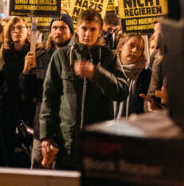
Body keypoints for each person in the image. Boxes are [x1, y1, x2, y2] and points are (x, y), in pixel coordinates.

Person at [39, 9, 128, 170]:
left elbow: (122, 91)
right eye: (84, 29)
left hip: (97, 144)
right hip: (67, 143)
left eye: (93, 29)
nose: (87, 33)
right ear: (77, 30)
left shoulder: (109, 57)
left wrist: (97, 73)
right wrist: (46, 136)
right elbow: (49, 98)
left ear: (100, 31)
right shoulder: (61, 56)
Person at [20, 13, 74, 169]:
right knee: (39, 169)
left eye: (63, 28)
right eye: (54, 28)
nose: (58, 31)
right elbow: (27, 94)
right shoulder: (38, 57)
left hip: (67, 127)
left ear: (71, 31)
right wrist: (26, 72)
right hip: (43, 128)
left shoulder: (76, 56)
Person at [0, 16, 30, 167]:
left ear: (28, 31)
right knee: (9, 152)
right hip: (7, 108)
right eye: (13, 29)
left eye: (20, 28)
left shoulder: (34, 53)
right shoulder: (4, 53)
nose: (16, 31)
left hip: (26, 108)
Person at [113, 33, 151, 118]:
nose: (135, 51)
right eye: (131, 46)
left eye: (140, 49)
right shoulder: (108, 71)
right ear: (121, 47)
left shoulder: (147, 75)